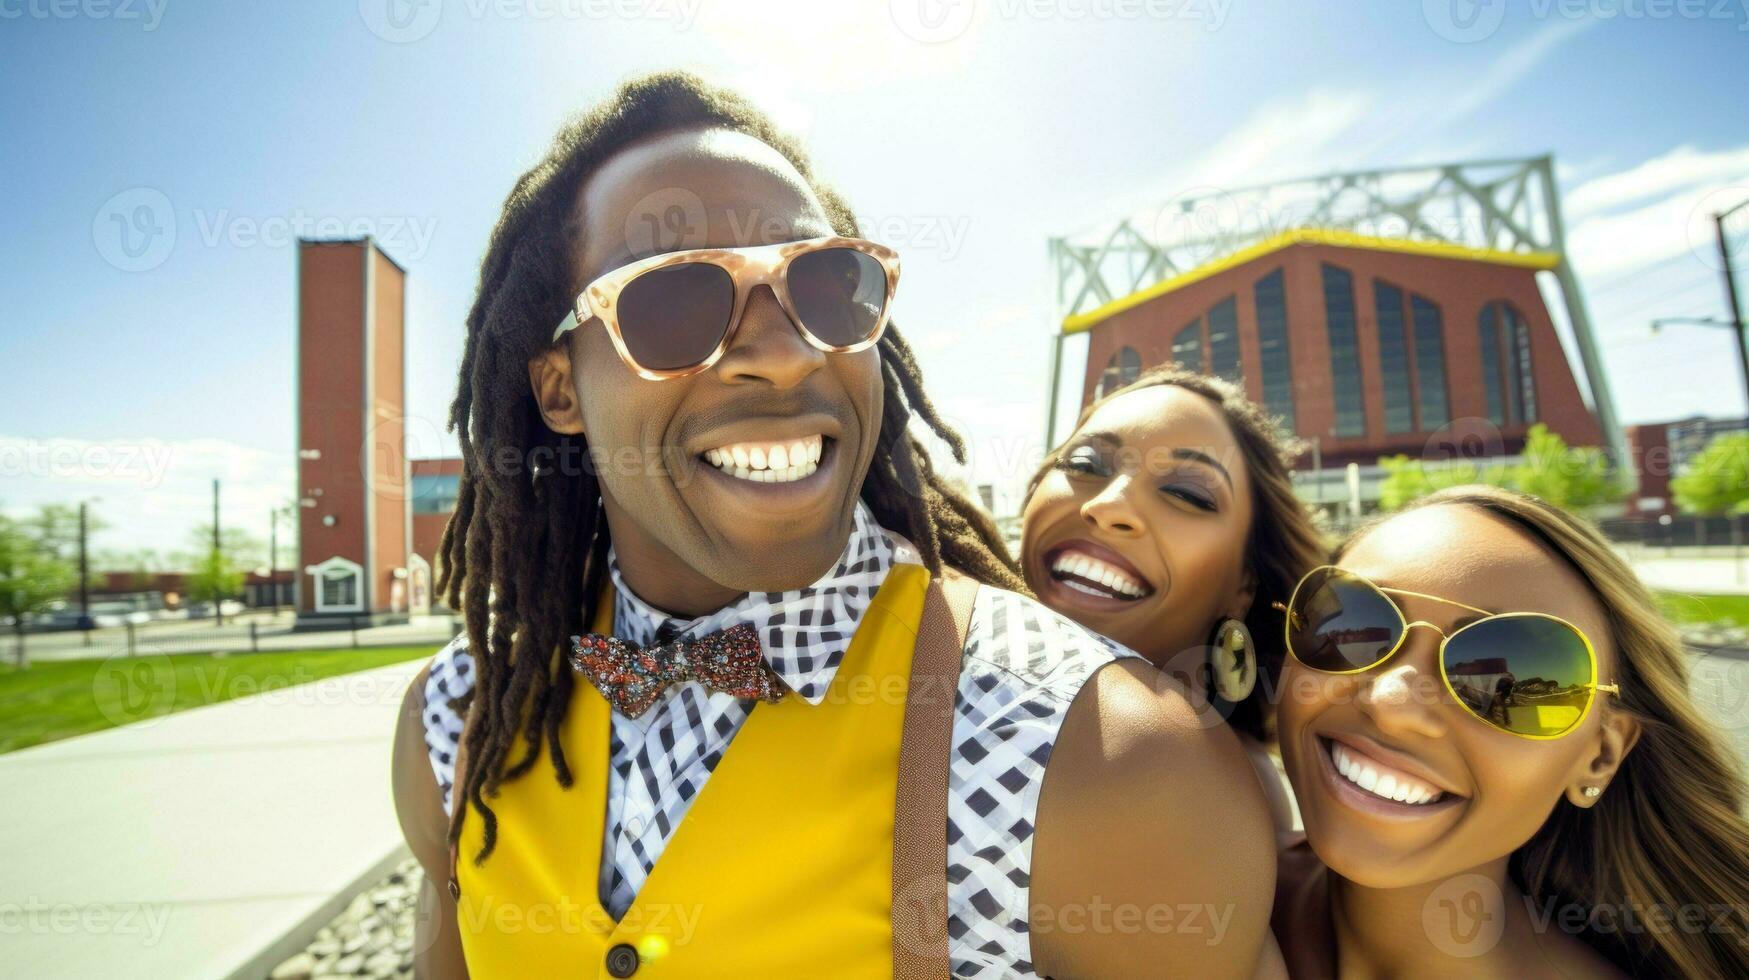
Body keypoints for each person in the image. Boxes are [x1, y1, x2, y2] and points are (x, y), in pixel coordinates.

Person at [389, 72, 1281, 978]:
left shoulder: (1107, 761)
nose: (782, 354)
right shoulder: (460, 719)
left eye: (825, 285)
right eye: (674, 301)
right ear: (559, 388)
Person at [1271, 485, 1749, 978]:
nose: (1393, 704)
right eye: (1357, 619)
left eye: (1511, 679)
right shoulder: (1205, 874)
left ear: (1600, 756)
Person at [1019, 366, 1325, 824]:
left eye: (1187, 494)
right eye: (1084, 464)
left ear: (1243, 587)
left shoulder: (1218, 794)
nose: (1109, 506)